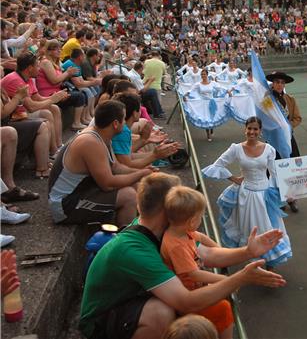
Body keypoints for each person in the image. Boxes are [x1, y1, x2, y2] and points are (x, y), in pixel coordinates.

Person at [79, 172, 286, 339]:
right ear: (167, 209)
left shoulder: (165, 231)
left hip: (132, 301)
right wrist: (239, 278)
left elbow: (206, 254)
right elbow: (186, 301)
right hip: (101, 321)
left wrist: (248, 251)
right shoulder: (134, 249)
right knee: (162, 314)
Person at [202, 117, 292, 268]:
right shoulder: (236, 149)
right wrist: (233, 178)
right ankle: (254, 260)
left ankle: (270, 260)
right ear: (245, 129)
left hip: (265, 195)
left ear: (260, 131)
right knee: (250, 229)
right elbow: (218, 165)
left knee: (269, 226)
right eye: (249, 128)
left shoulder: (269, 149)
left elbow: (275, 172)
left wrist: (286, 190)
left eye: (255, 129)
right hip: (246, 195)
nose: (252, 131)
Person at [48, 100, 154, 225]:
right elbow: (107, 184)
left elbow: (116, 167)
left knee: (136, 185)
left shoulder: (102, 135)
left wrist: (144, 173)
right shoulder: (90, 142)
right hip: (65, 205)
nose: (125, 123)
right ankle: (126, 240)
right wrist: (141, 174)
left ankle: (145, 226)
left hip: (81, 192)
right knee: (129, 196)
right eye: (124, 119)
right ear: (115, 123)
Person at [160, 186, 234, 338]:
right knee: (224, 308)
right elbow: (194, 275)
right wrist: (226, 280)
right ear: (192, 221)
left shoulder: (183, 231)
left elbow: (202, 237)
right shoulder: (175, 246)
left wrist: (219, 250)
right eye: (201, 216)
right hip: (188, 297)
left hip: (196, 288)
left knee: (221, 294)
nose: (201, 219)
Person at [0, 51, 67, 156]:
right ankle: (53, 152)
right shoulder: (15, 79)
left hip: (21, 112)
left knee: (54, 108)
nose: (39, 69)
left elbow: (38, 98)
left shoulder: (29, 78)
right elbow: (31, 107)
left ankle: (58, 145)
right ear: (30, 68)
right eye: (37, 66)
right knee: (47, 113)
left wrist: (57, 97)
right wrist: (52, 99)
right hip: (13, 117)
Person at [111, 93, 178, 168]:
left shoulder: (123, 129)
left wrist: (145, 140)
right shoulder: (123, 131)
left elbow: (127, 154)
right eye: (140, 109)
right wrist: (155, 155)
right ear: (135, 113)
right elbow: (126, 165)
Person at [267, 71, 302, 213]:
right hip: (273, 139)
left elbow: (297, 118)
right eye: (277, 82)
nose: (280, 85)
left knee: (291, 168)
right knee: (274, 169)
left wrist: (287, 127)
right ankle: (277, 199)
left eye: (282, 82)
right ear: (273, 84)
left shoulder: (290, 99)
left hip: (288, 139)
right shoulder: (267, 101)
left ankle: (291, 198)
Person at [1, 86, 51, 181]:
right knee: (41, 126)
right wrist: (18, 97)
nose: (2, 71)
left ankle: (42, 163)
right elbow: (2, 113)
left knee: (45, 122)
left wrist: (18, 99)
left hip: (12, 120)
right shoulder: (15, 79)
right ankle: (42, 168)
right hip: (7, 124)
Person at [37, 40, 88, 130]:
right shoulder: (46, 62)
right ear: (49, 51)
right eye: (56, 49)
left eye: (59, 49)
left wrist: (68, 75)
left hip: (56, 91)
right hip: (48, 95)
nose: (59, 51)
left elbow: (59, 81)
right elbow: (54, 80)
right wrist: (68, 72)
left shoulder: (55, 62)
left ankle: (82, 119)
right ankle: (76, 123)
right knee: (79, 96)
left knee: (82, 93)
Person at [142, 51, 166, 119]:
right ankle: (157, 114)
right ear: (159, 56)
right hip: (156, 85)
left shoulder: (146, 62)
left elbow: (143, 71)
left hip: (145, 83)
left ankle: (153, 113)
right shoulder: (162, 63)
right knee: (157, 103)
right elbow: (164, 73)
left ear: (151, 55)